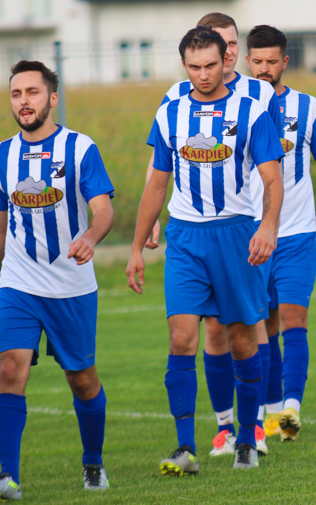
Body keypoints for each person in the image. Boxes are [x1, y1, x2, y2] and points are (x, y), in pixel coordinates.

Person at [126, 27, 283, 474]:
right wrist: (137, 248)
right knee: (181, 337)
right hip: (186, 237)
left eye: (210, 65)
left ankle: (248, 438)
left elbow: (273, 179)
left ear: (225, 60)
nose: (202, 75)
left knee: (239, 338)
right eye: (194, 67)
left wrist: (268, 226)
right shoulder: (170, 113)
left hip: (236, 233)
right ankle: (184, 447)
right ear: (184, 66)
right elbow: (157, 182)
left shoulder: (251, 110)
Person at [0, 60, 115, 500]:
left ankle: (93, 461)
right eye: (17, 94)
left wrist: (91, 236)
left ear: (52, 97)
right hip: (19, 281)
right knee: (10, 367)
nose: (24, 102)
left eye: (33, 93)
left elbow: (103, 208)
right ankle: (8, 477)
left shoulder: (79, 148)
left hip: (71, 285)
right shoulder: (0, 155)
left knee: (82, 379)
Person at [244, 25, 316, 441]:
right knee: (262, 324)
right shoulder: (236, 108)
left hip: (298, 232)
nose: (265, 69)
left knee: (293, 318)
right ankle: (266, 411)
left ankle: (291, 407)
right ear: (247, 61)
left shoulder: (308, 107)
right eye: (258, 61)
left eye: (273, 62)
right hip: (247, 234)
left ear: (285, 62)